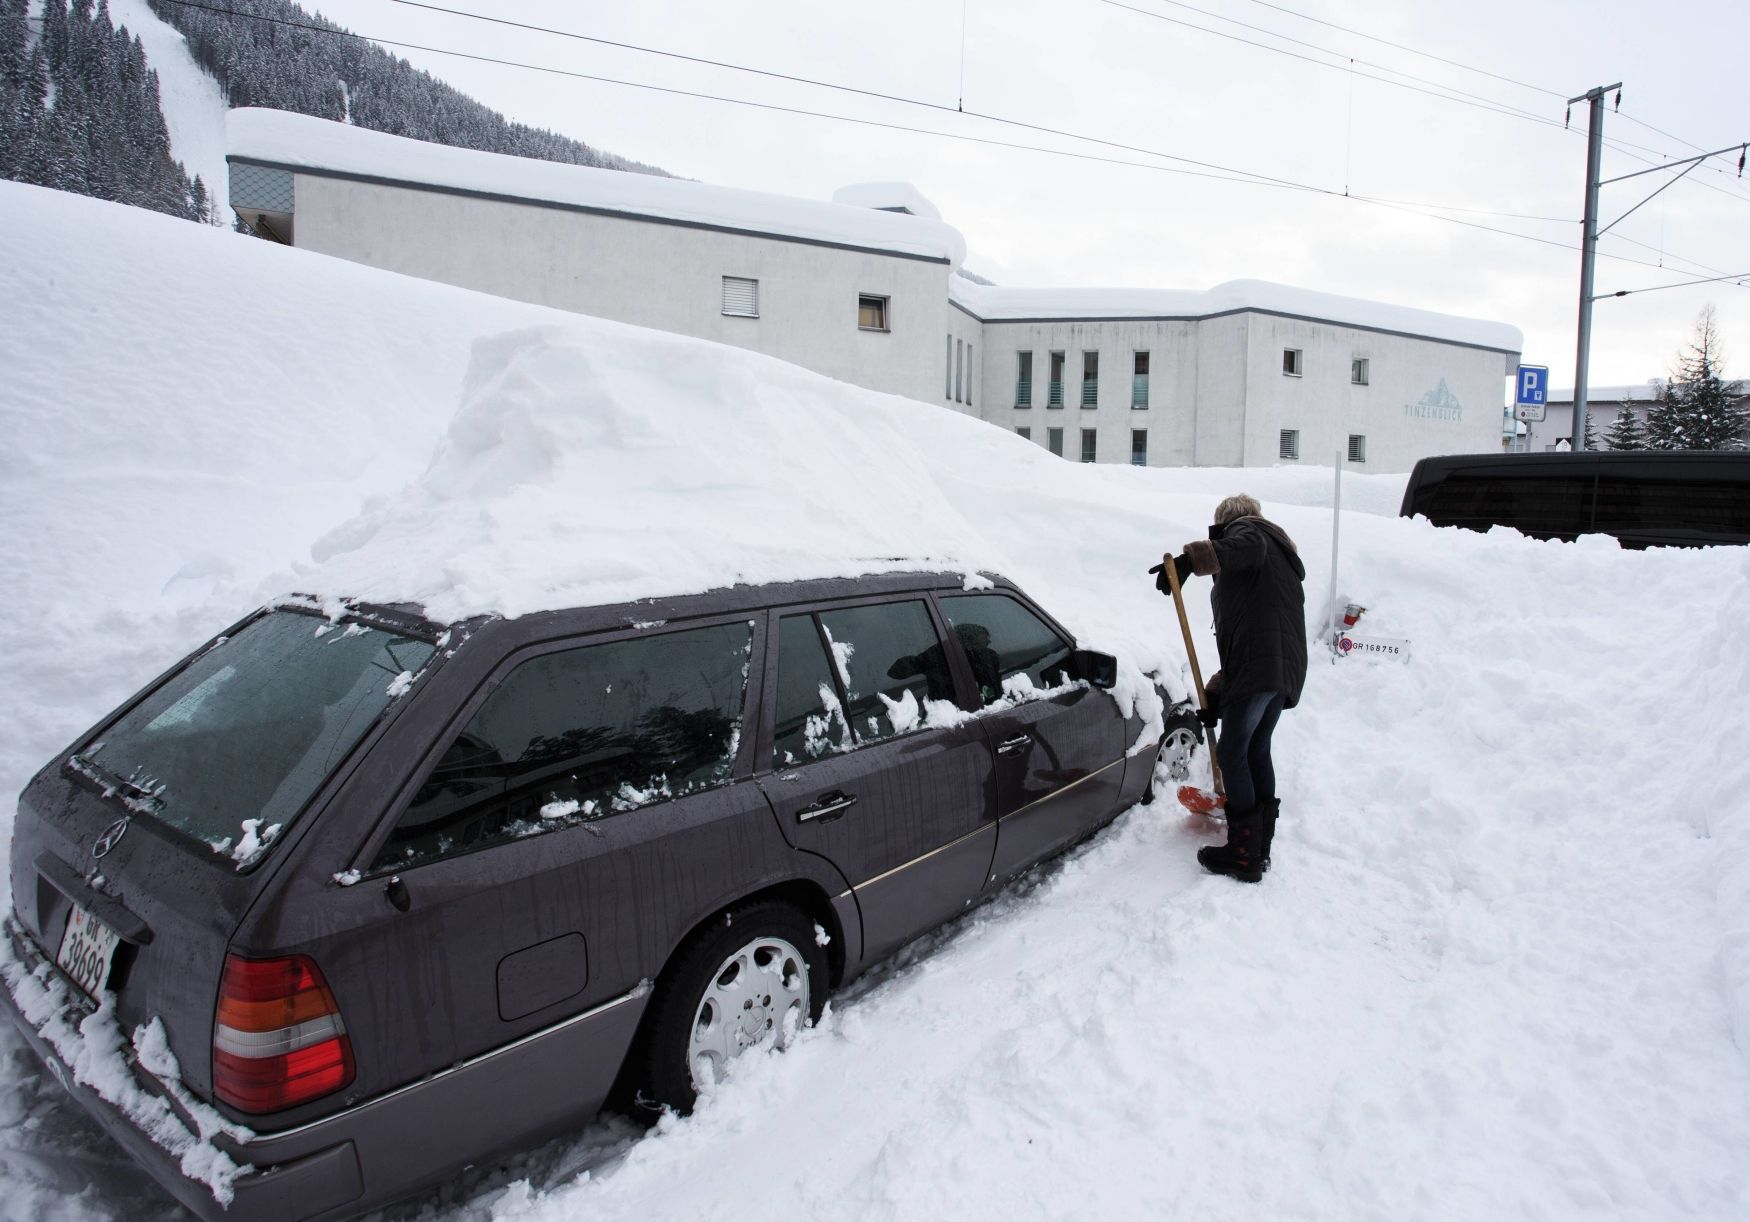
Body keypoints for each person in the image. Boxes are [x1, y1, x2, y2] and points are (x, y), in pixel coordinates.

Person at [1159, 493, 1307, 883]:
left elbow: (1243, 545)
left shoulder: (1253, 533)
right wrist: (1218, 698)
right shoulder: (1274, 564)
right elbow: (1252, 637)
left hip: (1261, 670)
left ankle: (1243, 854)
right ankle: (1259, 847)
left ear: (1227, 525)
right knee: (1256, 750)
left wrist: (1193, 558)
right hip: (1277, 673)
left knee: (1233, 752)